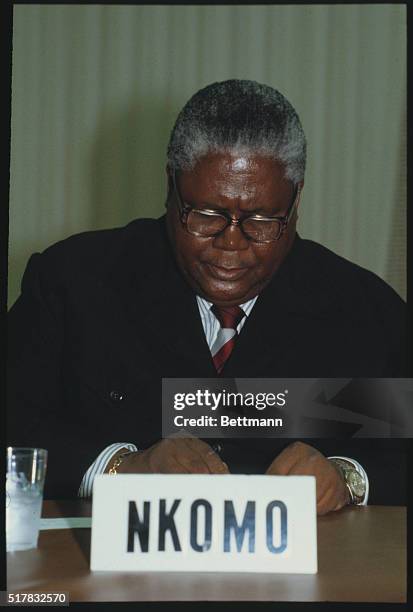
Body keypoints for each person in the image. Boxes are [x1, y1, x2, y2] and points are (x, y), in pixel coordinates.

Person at [7, 80, 407, 514]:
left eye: (261, 220)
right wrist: (120, 468)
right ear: (170, 185)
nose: (231, 244)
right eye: (206, 215)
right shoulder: (74, 284)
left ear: (296, 203)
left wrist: (348, 476)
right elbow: (15, 424)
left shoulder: (364, 312)